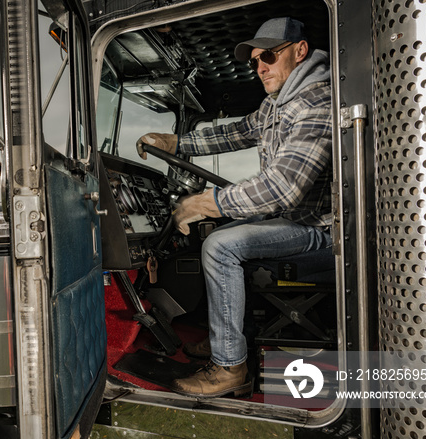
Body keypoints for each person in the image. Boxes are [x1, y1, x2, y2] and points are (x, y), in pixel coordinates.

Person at [136, 17, 333, 398]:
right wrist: (176, 143)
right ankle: (223, 338)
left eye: (270, 56)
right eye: (256, 60)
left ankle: (230, 368)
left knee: (220, 246)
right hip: (300, 220)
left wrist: (208, 202)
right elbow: (235, 132)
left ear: (300, 51)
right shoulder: (277, 104)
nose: (260, 67)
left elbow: (284, 188)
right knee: (223, 233)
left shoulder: (316, 102)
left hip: (323, 232)